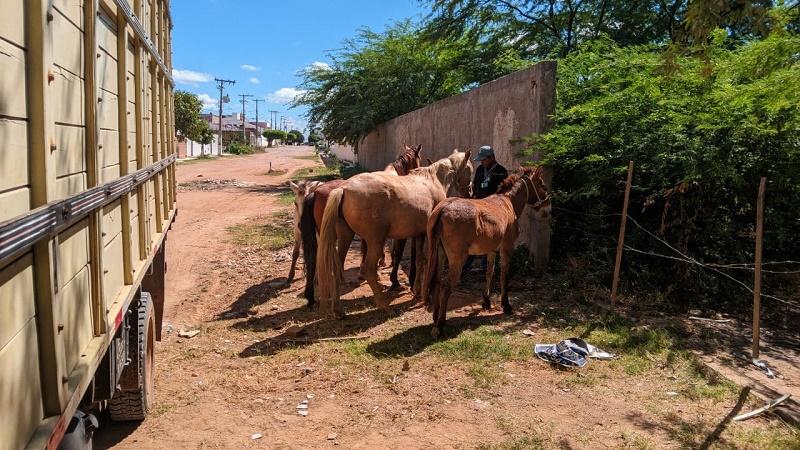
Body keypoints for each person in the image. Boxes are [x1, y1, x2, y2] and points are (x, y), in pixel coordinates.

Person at [463, 145, 509, 274]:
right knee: (472, 236)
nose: (482, 162)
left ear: (492, 157)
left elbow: (503, 193)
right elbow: (476, 186)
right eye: (481, 160)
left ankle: (485, 268)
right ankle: (464, 266)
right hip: (477, 208)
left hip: (492, 210)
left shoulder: (501, 172)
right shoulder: (479, 170)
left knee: (488, 237)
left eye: (484, 159)